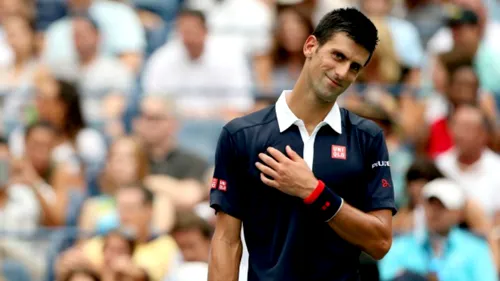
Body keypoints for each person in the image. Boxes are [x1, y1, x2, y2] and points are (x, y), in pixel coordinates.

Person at [209, 8, 396, 281]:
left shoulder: (368, 138)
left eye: (355, 67)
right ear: (310, 46)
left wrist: (313, 191)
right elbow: (226, 242)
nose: (343, 72)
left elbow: (380, 242)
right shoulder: (241, 135)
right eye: (338, 56)